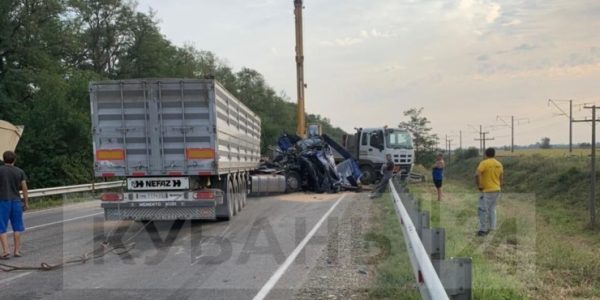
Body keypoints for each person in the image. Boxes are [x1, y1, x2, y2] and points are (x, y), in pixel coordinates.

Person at [0, 151, 29, 258]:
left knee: (1, 227)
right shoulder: (20, 171)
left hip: (2, 201)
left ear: (3, 159)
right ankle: (17, 251)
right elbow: (24, 188)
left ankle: (6, 251)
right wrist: (26, 202)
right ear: (14, 160)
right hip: (16, 201)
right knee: (17, 227)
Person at [475, 148, 503, 236]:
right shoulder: (499, 164)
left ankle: (483, 229)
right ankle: (492, 227)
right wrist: (499, 185)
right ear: (494, 154)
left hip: (487, 190)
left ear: (486, 154)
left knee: (482, 209)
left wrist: (479, 185)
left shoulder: (484, 163)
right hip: (497, 189)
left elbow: (477, 174)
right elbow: (501, 177)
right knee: (492, 209)